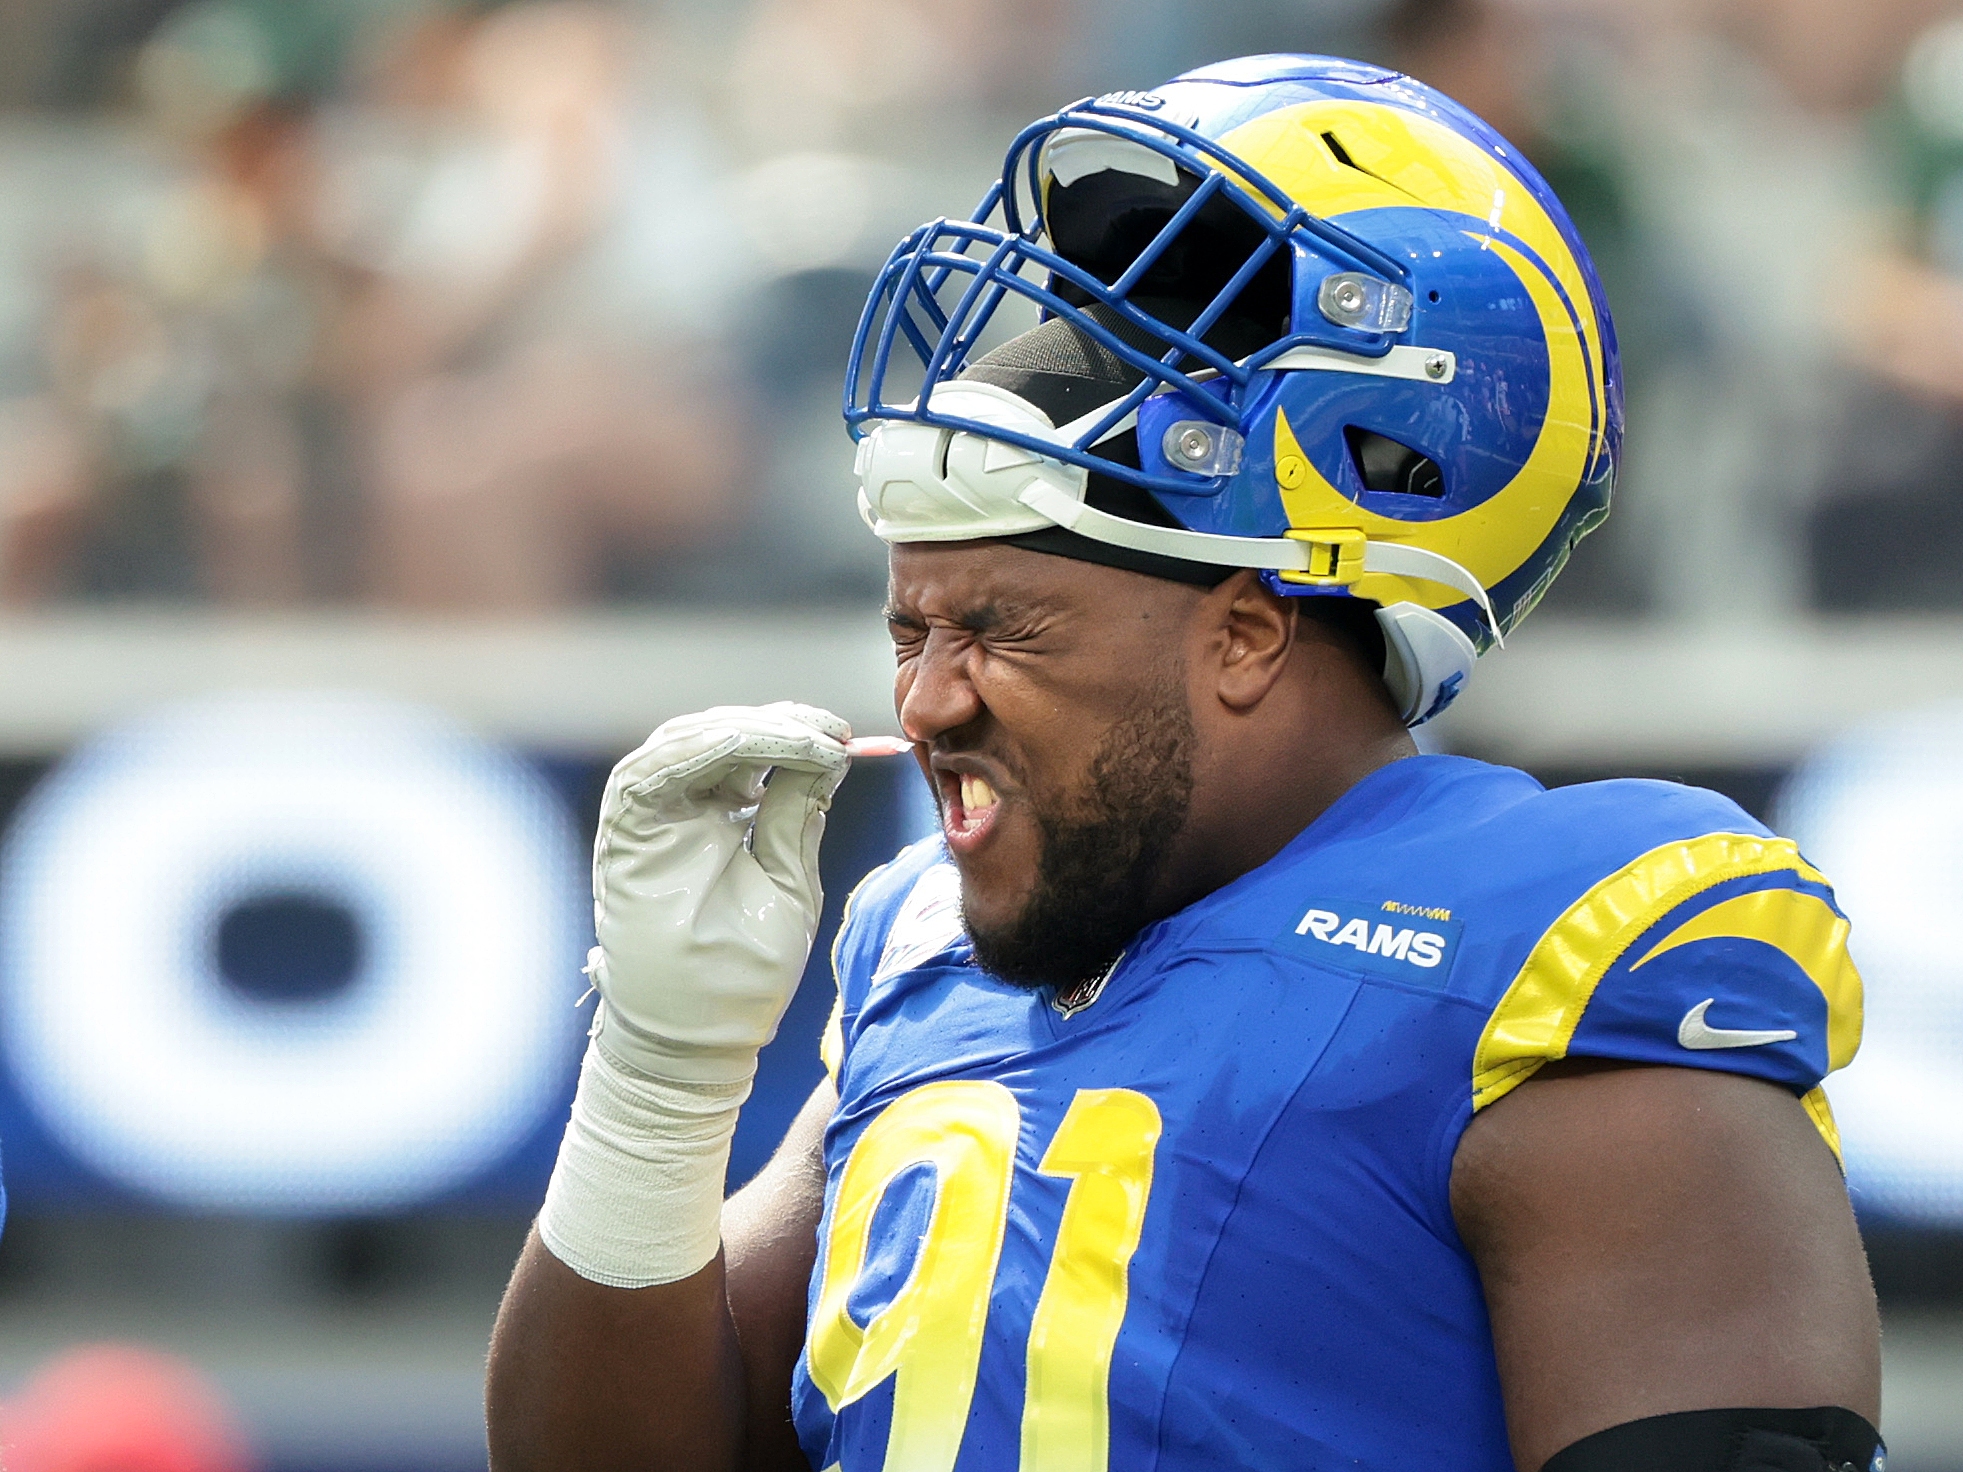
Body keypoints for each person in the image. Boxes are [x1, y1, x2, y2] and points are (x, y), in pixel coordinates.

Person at [486, 54, 1882, 1472]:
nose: (922, 703)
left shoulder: (1555, 946)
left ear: (1249, 635)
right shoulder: (914, 947)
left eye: (1001, 630)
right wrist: (658, 1083)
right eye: (908, 627)